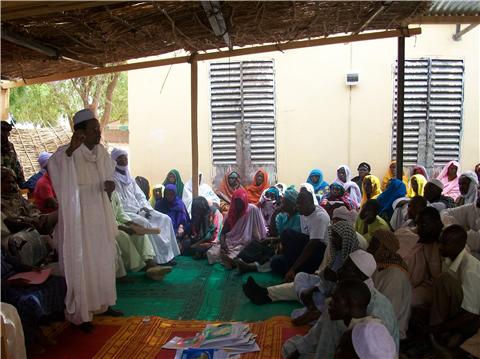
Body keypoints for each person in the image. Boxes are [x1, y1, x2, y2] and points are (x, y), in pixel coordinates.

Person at [48, 109, 120, 331]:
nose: (98, 133)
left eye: (99, 129)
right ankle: (83, 314)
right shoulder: (67, 153)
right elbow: (55, 166)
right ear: (80, 132)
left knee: (103, 259)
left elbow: (110, 176)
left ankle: (104, 303)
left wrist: (110, 185)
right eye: (93, 130)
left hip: (99, 211)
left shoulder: (101, 152)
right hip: (80, 218)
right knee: (84, 262)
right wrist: (71, 149)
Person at [281, 250, 399, 359]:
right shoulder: (343, 298)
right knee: (291, 347)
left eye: (346, 269)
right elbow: (320, 329)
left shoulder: (377, 313)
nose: (339, 271)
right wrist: (297, 352)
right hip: (337, 351)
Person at [110, 148, 180, 266]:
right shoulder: (112, 179)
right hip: (128, 213)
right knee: (145, 223)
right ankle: (155, 259)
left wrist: (146, 207)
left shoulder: (130, 178)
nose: (123, 160)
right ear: (114, 161)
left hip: (140, 209)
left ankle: (167, 256)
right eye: (120, 158)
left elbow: (140, 195)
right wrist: (137, 211)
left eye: (125, 158)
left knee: (165, 219)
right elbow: (120, 203)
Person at [289, 221, 360, 325]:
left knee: (331, 303)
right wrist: (320, 278)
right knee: (300, 276)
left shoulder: (356, 258)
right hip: (325, 286)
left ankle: (315, 312)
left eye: (336, 237)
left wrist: (316, 288)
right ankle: (312, 308)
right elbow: (327, 277)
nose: (333, 239)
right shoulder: (337, 252)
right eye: (333, 236)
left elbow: (346, 286)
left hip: (338, 293)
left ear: (345, 238)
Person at [423, 225, 480, 350]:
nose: (440, 247)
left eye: (445, 244)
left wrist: (437, 328)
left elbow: (471, 314)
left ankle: (452, 334)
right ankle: (441, 333)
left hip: (473, 319)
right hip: (460, 310)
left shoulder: (470, 270)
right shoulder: (449, 259)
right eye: (440, 242)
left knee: (445, 279)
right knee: (442, 281)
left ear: (459, 245)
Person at [1, 252, 66, 354]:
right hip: (4, 288)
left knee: (58, 282)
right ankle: (30, 341)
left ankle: (45, 322)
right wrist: (11, 282)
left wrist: (31, 269)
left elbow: (14, 262)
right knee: (28, 301)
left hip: (17, 277)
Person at [1, 167, 55, 267]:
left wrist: (38, 217)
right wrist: (29, 221)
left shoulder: (15, 195)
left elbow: (31, 208)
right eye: (8, 182)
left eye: (13, 182)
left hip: (33, 223)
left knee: (58, 217)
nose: (12, 185)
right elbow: (9, 221)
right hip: (18, 230)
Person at [270, 190, 329, 279]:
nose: (298, 207)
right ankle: (297, 271)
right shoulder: (303, 213)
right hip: (308, 248)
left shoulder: (319, 217)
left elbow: (312, 245)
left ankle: (295, 271)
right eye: (297, 204)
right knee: (275, 262)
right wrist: (275, 240)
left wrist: (293, 268)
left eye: (301, 204)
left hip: (320, 252)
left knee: (287, 233)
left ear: (310, 203)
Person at [109, 190, 164, 278]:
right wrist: (124, 228)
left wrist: (131, 223)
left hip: (119, 224)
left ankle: (150, 263)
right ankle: (141, 266)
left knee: (140, 235)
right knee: (124, 237)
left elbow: (120, 213)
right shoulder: (97, 196)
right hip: (106, 228)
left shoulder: (114, 193)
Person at [368, 229, 412, 339]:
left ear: (385, 249)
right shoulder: (380, 265)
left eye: (374, 246)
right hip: (375, 319)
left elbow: (387, 312)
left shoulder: (395, 275)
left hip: (388, 329)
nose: (369, 249)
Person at [206, 188, 266, 267]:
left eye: (240, 202)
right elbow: (223, 233)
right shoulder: (231, 213)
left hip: (245, 242)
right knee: (212, 253)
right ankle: (231, 260)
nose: (238, 205)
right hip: (231, 242)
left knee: (241, 252)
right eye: (236, 202)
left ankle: (232, 261)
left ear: (245, 201)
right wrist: (224, 245)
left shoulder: (252, 210)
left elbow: (259, 231)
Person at [396, 207, 443, 307]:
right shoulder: (404, 234)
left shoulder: (439, 245)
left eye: (425, 224)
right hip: (393, 282)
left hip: (416, 289)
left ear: (437, 224)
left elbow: (435, 278)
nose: (420, 228)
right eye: (418, 224)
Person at [441, 187, 480, 259]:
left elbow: (476, 241)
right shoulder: (472, 207)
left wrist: (458, 234)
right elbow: (444, 213)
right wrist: (453, 228)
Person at [1, 121, 25, 188]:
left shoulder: (10, 146)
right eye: (4, 131)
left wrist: (21, 181)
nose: (7, 134)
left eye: (7, 132)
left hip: (10, 185)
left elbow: (16, 164)